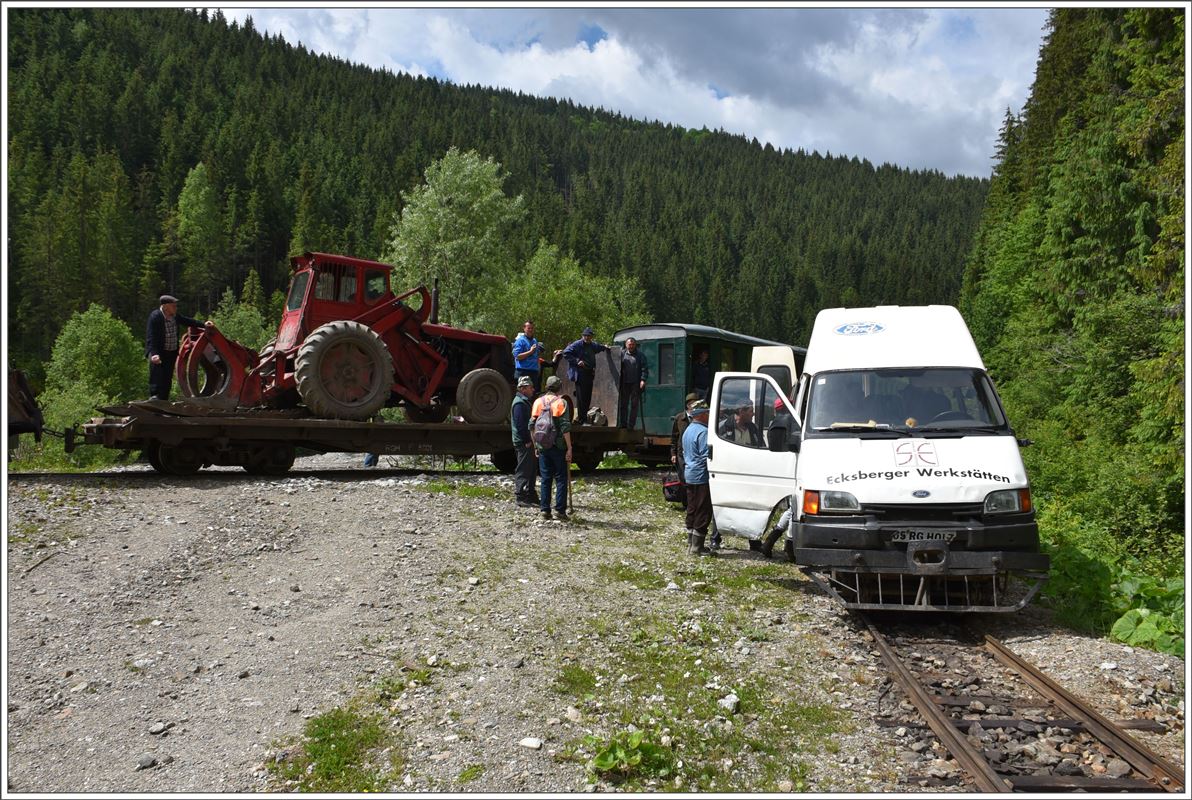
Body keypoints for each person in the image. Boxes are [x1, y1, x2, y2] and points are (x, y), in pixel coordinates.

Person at [144, 294, 206, 401]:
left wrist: (204, 324)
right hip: (158, 352)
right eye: (174, 306)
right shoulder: (155, 317)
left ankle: (164, 402)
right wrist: (154, 354)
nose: (176, 308)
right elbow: (151, 337)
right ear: (165, 306)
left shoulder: (175, 316)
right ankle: (154, 398)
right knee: (157, 375)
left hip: (171, 353)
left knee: (167, 378)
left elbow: (189, 321)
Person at [532, 375, 573, 521]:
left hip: (543, 445)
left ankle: (545, 510)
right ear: (559, 388)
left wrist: (536, 445)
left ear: (546, 387)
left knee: (545, 478)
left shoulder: (538, 402)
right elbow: (565, 427)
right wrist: (569, 447)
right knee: (561, 477)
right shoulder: (561, 402)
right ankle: (560, 511)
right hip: (558, 445)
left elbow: (532, 425)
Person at [558, 327, 609, 425]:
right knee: (581, 397)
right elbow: (566, 352)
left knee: (587, 397)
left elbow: (599, 347)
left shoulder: (592, 345)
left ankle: (583, 418)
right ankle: (582, 419)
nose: (587, 338)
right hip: (580, 373)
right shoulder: (577, 344)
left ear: (591, 337)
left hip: (589, 373)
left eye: (589, 336)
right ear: (582, 336)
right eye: (585, 336)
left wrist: (605, 347)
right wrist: (577, 361)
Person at [682, 401, 714, 556]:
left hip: (689, 474)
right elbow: (705, 456)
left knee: (692, 508)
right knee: (703, 510)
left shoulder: (688, 430)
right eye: (707, 413)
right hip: (701, 476)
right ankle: (697, 547)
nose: (709, 415)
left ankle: (690, 543)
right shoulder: (704, 432)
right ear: (701, 414)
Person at [510, 375, 538, 507]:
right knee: (523, 468)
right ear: (523, 388)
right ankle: (520, 495)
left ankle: (530, 494)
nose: (533, 389)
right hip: (523, 442)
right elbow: (521, 424)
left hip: (527, 441)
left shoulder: (523, 401)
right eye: (530, 387)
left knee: (531, 468)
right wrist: (527, 440)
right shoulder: (519, 403)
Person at [669, 392, 701, 509]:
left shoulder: (699, 417)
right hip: (681, 453)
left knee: (694, 479)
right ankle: (686, 504)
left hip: (694, 453)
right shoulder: (679, 418)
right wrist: (673, 453)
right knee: (684, 479)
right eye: (694, 404)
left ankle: (694, 503)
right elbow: (674, 437)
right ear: (688, 405)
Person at [617, 337, 648, 429]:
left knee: (634, 405)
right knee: (623, 405)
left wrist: (643, 380)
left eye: (632, 345)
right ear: (626, 345)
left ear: (635, 345)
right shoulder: (622, 354)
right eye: (629, 345)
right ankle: (623, 424)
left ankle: (631, 425)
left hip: (635, 384)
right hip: (624, 383)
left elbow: (644, 369)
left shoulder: (640, 355)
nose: (631, 346)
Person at [511, 320, 544, 394]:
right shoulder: (520, 341)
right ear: (524, 328)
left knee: (533, 394)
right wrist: (530, 352)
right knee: (522, 394)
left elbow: (536, 355)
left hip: (533, 372)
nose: (530, 330)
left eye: (532, 328)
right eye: (529, 328)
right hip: (523, 371)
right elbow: (517, 356)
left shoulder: (534, 340)